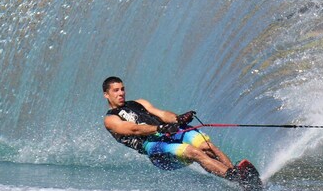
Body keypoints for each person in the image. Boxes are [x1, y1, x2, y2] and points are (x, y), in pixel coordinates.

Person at [102, 76, 241, 181]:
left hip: (166, 134)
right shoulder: (110, 119)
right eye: (115, 90)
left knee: (207, 147)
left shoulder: (139, 103)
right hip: (155, 149)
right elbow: (134, 129)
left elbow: (162, 114)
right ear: (106, 94)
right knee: (195, 152)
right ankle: (235, 178)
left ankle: (238, 175)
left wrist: (178, 119)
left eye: (122, 89)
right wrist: (160, 128)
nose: (121, 93)